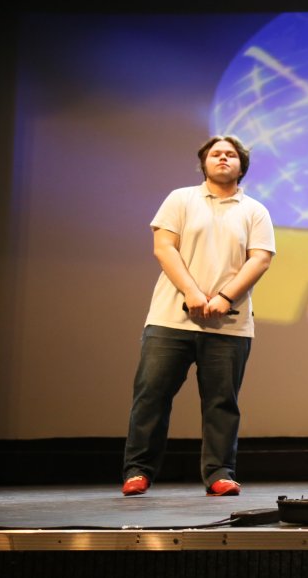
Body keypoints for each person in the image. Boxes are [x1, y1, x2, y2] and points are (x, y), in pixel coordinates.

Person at [121, 136, 275, 497]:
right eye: (215, 153)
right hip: (170, 320)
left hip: (230, 323)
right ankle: (138, 471)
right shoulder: (181, 199)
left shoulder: (255, 210)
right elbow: (164, 247)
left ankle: (219, 473)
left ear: (242, 166)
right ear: (203, 163)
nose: (223, 158)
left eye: (231, 154)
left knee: (222, 403)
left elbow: (260, 259)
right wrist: (192, 292)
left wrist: (225, 297)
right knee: (151, 396)